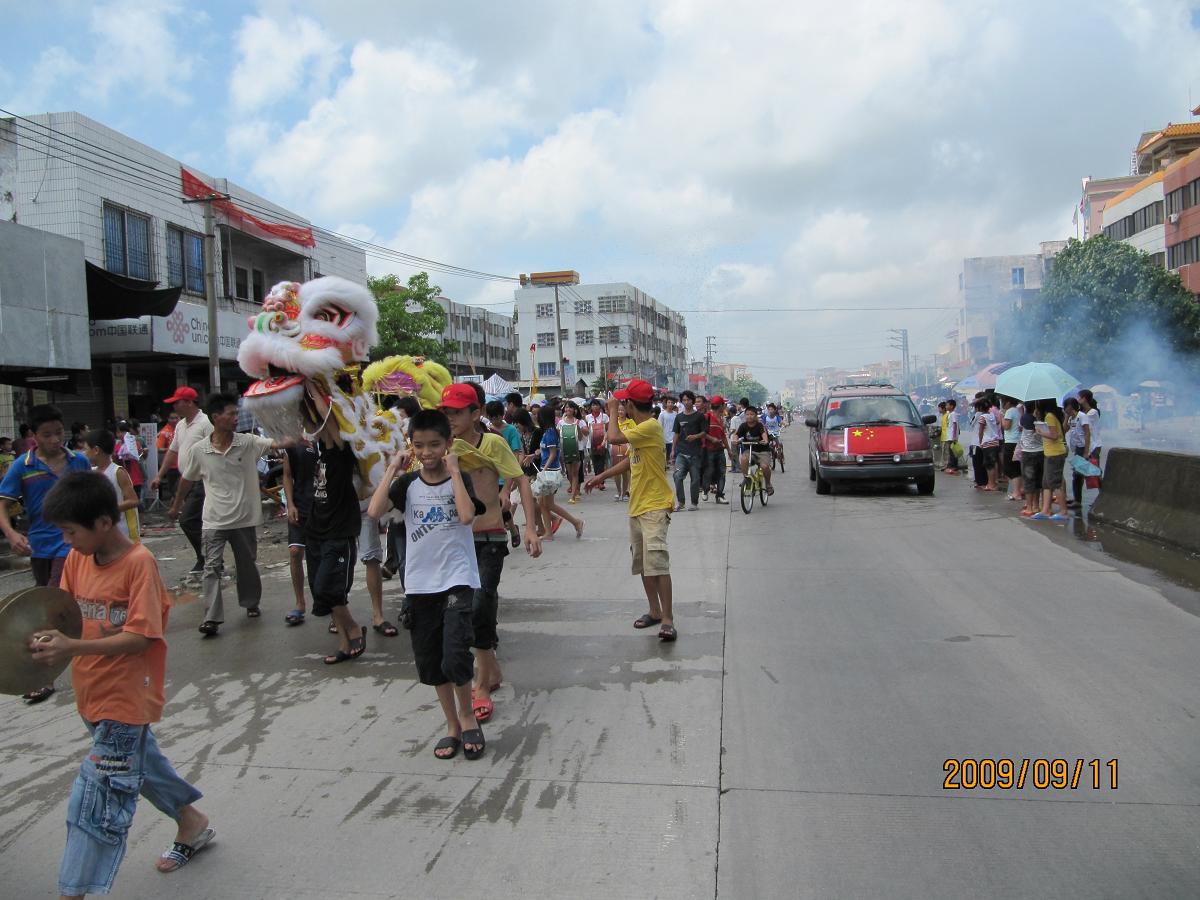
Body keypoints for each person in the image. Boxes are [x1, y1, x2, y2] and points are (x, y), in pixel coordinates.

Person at [31, 471, 212, 897]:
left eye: (71, 532)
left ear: (102, 522)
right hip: (90, 692)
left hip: (127, 697)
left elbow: (143, 637)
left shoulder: (138, 564)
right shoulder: (77, 559)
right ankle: (192, 822)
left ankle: (75, 891)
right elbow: (65, 615)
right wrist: (42, 641)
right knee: (141, 766)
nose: (66, 541)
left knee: (96, 798)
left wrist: (72, 647)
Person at [368, 409, 486, 759]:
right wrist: (392, 469)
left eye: (435, 444)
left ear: (448, 443)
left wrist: (455, 472)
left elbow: (466, 516)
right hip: (420, 584)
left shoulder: (460, 479)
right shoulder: (407, 484)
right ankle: (452, 725)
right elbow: (374, 511)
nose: (427, 452)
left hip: (457, 579)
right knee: (432, 660)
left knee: (455, 653)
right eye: (419, 445)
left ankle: (468, 717)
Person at [438, 383, 543, 724]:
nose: (450, 417)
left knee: (482, 603)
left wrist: (530, 528)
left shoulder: (493, 443)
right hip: (454, 542)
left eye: (457, 412)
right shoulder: (442, 446)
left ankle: (482, 684)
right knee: (461, 610)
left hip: (489, 537)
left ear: (475, 413)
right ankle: (491, 669)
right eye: (446, 412)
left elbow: (521, 479)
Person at [0, 404, 93, 704]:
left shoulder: (78, 461)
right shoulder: (22, 466)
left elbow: (93, 497)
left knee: (54, 602)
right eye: (47, 434)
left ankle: (48, 674)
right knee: (46, 606)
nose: (54, 440)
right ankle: (51, 665)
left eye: (58, 433)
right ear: (33, 435)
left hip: (73, 545)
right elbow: (2, 504)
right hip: (39, 546)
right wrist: (12, 534)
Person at [171, 393, 282, 636]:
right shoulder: (200, 450)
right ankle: (211, 617)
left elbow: (276, 444)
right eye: (231, 414)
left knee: (246, 565)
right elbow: (187, 480)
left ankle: (251, 602)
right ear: (216, 417)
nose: (236, 418)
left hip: (243, 518)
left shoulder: (248, 442)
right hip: (213, 520)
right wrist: (176, 505)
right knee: (211, 567)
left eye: (236, 413)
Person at [587, 380, 678, 641]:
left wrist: (611, 409)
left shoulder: (650, 426)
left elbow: (613, 438)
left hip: (655, 505)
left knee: (657, 563)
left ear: (630, 404)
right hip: (638, 505)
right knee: (643, 563)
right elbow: (630, 461)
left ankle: (668, 619)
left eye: (624, 402)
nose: (621, 406)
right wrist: (601, 475)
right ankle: (654, 611)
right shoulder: (641, 430)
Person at [150, 387, 213, 585]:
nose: (175, 406)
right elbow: (172, 451)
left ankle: (208, 558)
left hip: (203, 480)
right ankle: (208, 558)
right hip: (185, 478)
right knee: (196, 521)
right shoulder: (180, 425)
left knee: (188, 519)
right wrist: (159, 475)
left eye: (177, 402)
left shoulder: (206, 423)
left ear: (189, 402)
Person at [531, 403, 585, 537]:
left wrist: (544, 469)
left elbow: (553, 454)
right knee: (543, 503)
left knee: (548, 504)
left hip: (550, 472)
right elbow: (546, 451)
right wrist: (533, 455)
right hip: (548, 470)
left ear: (543, 417)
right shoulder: (549, 431)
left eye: (538, 415)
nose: (536, 417)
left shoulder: (550, 432)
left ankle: (576, 522)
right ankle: (549, 532)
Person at [281, 440, 319, 625]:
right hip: (299, 504)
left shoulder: (325, 437)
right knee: (295, 552)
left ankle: (331, 605)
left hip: (322, 506)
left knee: (321, 556)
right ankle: (300, 603)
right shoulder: (291, 441)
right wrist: (290, 504)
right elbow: (287, 475)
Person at [81, 429, 141, 542]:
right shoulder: (91, 473)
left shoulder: (118, 472)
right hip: (105, 533)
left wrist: (107, 511)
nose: (84, 453)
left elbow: (133, 501)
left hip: (124, 533)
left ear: (96, 450)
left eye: (86, 449)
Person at [1032, 399, 1067, 521]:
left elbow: (1054, 435)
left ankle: (1063, 511)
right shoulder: (1050, 416)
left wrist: (1040, 432)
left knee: (1056, 483)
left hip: (1055, 453)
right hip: (1050, 453)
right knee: (1046, 483)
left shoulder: (1050, 416)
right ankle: (1045, 510)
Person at [671, 390, 705, 511]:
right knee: (677, 476)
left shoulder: (699, 416)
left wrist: (695, 436)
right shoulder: (679, 417)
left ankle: (694, 503)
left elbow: (704, 432)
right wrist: (673, 450)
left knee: (695, 479)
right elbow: (676, 434)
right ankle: (681, 502)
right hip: (681, 452)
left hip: (695, 453)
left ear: (692, 401)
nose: (686, 402)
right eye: (684, 400)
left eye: (688, 400)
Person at [736, 405, 774, 495]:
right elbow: (736, 434)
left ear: (755, 415)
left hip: (763, 451)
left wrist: (765, 440)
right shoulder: (743, 426)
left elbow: (764, 434)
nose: (749, 416)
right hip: (749, 450)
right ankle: (747, 479)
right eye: (747, 414)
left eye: (751, 414)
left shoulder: (760, 425)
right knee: (743, 459)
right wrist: (735, 440)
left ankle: (768, 484)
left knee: (765, 467)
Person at [702, 396, 733, 504]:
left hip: (720, 450)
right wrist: (712, 439)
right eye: (724, 405)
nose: (725, 406)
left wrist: (729, 450)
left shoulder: (721, 419)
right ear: (720, 406)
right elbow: (701, 433)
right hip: (708, 450)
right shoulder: (707, 417)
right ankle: (705, 490)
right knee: (709, 471)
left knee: (722, 473)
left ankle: (719, 495)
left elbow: (723, 436)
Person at [1078, 389, 1103, 498]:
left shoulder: (1093, 412)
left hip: (1093, 446)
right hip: (1085, 446)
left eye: (1079, 397)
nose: (1077, 399)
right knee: (1080, 472)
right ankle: (1078, 499)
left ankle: (1102, 495)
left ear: (1084, 399)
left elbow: (1081, 421)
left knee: (1094, 472)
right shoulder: (1083, 412)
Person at [559, 402, 585, 504]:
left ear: (575, 410)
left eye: (570, 407)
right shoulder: (561, 423)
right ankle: (575, 489)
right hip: (566, 450)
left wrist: (578, 428)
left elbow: (581, 437)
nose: (568, 409)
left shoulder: (579, 422)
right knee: (569, 473)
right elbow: (559, 436)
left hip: (578, 449)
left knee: (575, 472)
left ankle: (573, 496)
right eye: (566, 407)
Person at [974, 398, 1001, 492]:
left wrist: (980, 442)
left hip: (987, 443)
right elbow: (998, 422)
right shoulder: (992, 415)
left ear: (980, 408)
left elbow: (980, 431)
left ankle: (991, 484)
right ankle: (994, 483)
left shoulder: (982, 417)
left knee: (989, 465)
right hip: (995, 442)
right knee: (993, 463)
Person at [1000, 397, 1023, 501]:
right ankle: (1018, 490)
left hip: (1011, 442)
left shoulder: (1009, 411)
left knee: (1010, 468)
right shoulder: (1018, 411)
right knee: (1016, 467)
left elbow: (1006, 426)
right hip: (1017, 441)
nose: (1002, 404)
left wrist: (1002, 417)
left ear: (1008, 402)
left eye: (1003, 402)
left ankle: (1016, 492)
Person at [585, 400, 610, 492]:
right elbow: (587, 430)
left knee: (601, 462)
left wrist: (604, 441)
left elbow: (607, 429)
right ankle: (597, 480)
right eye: (593, 405)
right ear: (590, 407)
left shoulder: (605, 417)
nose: (595, 407)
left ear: (600, 406)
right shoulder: (588, 417)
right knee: (595, 463)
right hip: (591, 443)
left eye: (596, 405)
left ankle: (601, 482)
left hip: (602, 442)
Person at [610, 402, 632, 501]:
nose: (620, 412)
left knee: (626, 472)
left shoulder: (630, 422)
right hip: (615, 450)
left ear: (626, 411)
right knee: (616, 472)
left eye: (622, 410)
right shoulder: (614, 422)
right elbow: (609, 433)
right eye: (618, 410)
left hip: (627, 450)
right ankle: (618, 491)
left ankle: (624, 493)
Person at [658, 396, 678, 465]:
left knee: (672, 459)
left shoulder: (676, 414)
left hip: (673, 440)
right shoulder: (662, 414)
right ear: (666, 404)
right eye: (669, 402)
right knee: (664, 459)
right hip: (664, 440)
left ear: (674, 404)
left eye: (672, 402)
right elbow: (659, 427)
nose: (670, 404)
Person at [944, 399, 961, 474]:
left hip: (952, 436)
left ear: (951, 406)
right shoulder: (950, 414)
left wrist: (954, 436)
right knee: (951, 452)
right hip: (949, 435)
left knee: (953, 452)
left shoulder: (953, 414)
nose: (946, 406)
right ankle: (952, 466)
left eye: (947, 405)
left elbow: (955, 424)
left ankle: (954, 466)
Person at [933, 401, 947, 469]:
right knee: (938, 449)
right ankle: (939, 462)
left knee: (945, 450)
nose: (938, 409)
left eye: (939, 408)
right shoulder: (938, 415)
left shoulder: (948, 415)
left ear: (943, 408)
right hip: (939, 434)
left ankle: (945, 464)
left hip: (946, 436)